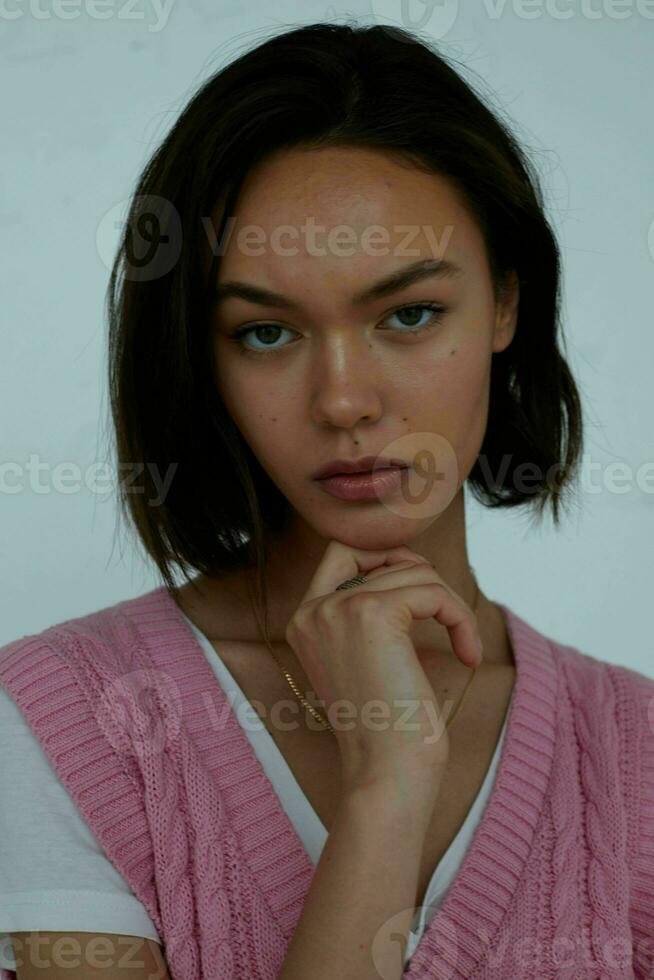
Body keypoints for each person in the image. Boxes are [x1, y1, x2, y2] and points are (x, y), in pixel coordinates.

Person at [1, 20, 652, 980]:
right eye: (266, 333)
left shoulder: (633, 754)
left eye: (410, 314)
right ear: (199, 355)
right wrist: (388, 792)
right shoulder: (69, 720)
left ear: (507, 301)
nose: (344, 401)